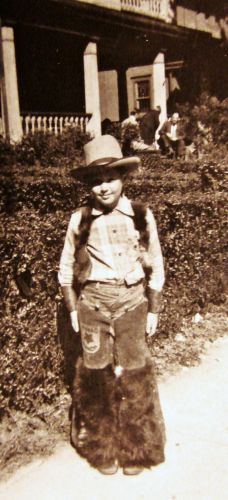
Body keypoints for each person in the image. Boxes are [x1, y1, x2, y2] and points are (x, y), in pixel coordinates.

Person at [58, 135, 166, 476]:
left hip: (131, 302)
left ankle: (137, 448)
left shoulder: (140, 215)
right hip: (93, 304)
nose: (104, 187)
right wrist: (74, 308)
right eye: (96, 181)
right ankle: (100, 445)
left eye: (111, 179)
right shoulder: (80, 219)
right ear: (89, 185)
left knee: (135, 373)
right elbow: (65, 269)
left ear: (124, 178)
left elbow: (155, 264)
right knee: (95, 373)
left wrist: (153, 308)